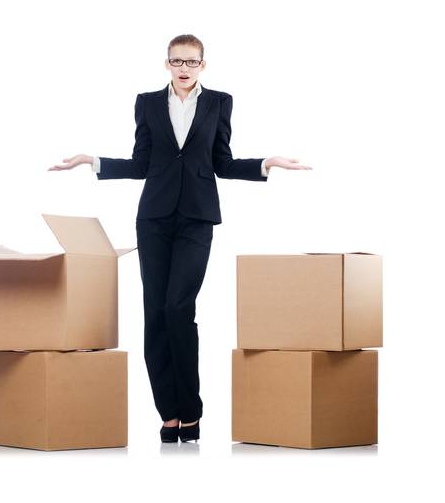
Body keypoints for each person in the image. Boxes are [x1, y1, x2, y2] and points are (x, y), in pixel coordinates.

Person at [49, 34, 309, 443]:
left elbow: (220, 161)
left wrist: (266, 163)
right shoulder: (148, 103)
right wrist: (93, 161)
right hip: (153, 218)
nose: (183, 68)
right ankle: (169, 414)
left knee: (178, 307)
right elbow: (141, 163)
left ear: (203, 64)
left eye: (191, 62)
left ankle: (192, 409)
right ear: (166, 64)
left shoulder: (219, 102)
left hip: (196, 219)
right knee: (155, 313)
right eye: (176, 61)